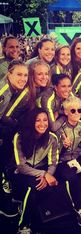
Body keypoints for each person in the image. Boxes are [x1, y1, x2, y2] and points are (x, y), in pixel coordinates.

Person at [12, 108, 59, 234]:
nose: (42, 124)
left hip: (39, 171)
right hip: (20, 173)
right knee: (32, 188)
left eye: (45, 120)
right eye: (38, 120)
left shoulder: (52, 138)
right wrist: (44, 174)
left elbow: (53, 162)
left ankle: (26, 208)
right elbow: (21, 167)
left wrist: (48, 175)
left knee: (48, 188)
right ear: (31, 122)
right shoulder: (19, 136)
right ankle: (23, 225)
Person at [0, 60, 28, 218]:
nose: (23, 78)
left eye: (25, 75)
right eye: (19, 74)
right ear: (9, 74)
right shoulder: (3, 91)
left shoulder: (11, 89)